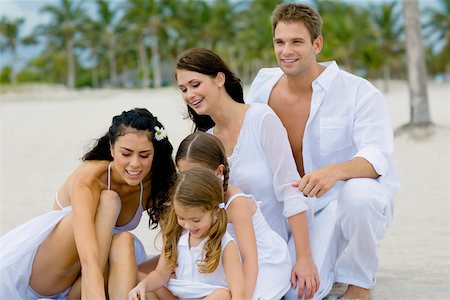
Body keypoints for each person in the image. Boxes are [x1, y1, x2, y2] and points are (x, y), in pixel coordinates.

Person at [246, 3, 400, 299]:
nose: (286, 50)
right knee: (290, 292)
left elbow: (378, 156)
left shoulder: (359, 92)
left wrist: (334, 171)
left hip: (339, 202)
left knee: (361, 195)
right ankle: (326, 262)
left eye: (296, 42)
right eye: (280, 42)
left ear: (317, 44)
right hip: (290, 205)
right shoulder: (264, 85)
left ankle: (359, 282)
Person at [175, 48, 319, 299]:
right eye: (183, 89)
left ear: (219, 79)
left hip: (266, 249)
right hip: (223, 254)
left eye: (195, 84)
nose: (190, 94)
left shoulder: (260, 118)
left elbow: (291, 190)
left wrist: (303, 258)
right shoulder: (205, 143)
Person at [0, 108, 176, 299]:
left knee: (125, 241)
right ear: (111, 148)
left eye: (144, 155)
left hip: (89, 279)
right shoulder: (90, 178)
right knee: (109, 200)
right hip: (53, 273)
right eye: (126, 153)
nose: (135, 164)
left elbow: (173, 244)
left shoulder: (156, 183)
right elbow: (89, 257)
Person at [176, 131, 292, 299]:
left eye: (198, 174)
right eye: (185, 175)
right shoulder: (193, 203)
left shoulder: (236, 203)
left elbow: (249, 259)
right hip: (229, 262)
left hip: (260, 260)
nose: (192, 181)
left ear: (218, 171)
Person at [129, 167, 245, 300]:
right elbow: (161, 274)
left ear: (215, 213)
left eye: (196, 220)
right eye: (182, 218)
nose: (189, 226)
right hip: (179, 296)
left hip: (209, 296)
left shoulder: (225, 244)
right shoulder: (177, 237)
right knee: (142, 281)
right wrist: (142, 286)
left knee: (222, 295)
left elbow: (238, 293)